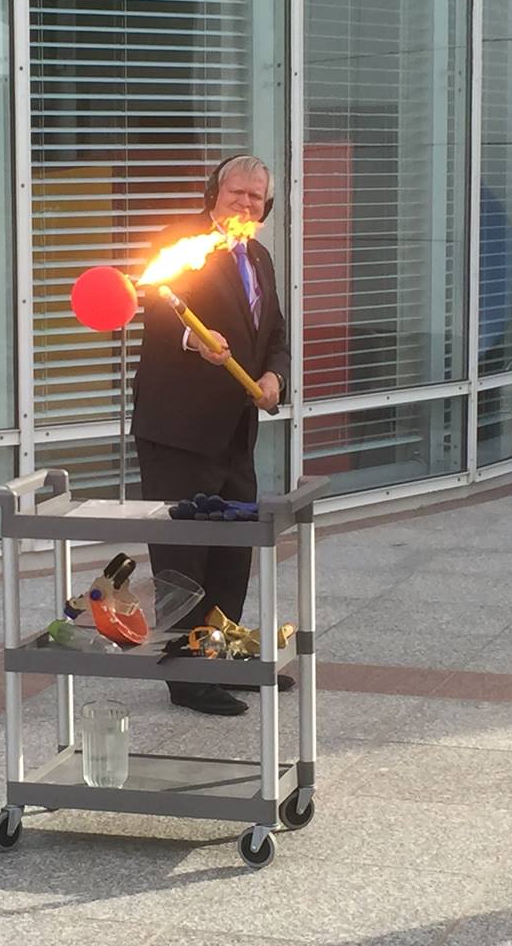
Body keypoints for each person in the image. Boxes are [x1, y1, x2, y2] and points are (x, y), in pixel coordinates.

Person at [131, 154, 292, 716]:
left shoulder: (261, 258)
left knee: (232, 553)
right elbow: (157, 315)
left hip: (234, 432)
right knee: (184, 556)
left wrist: (275, 376)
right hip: (178, 431)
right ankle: (185, 675)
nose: (245, 204)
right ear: (213, 196)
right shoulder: (181, 245)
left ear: (266, 207)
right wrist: (194, 343)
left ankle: (220, 655)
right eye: (235, 194)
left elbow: (274, 332)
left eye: (255, 197)